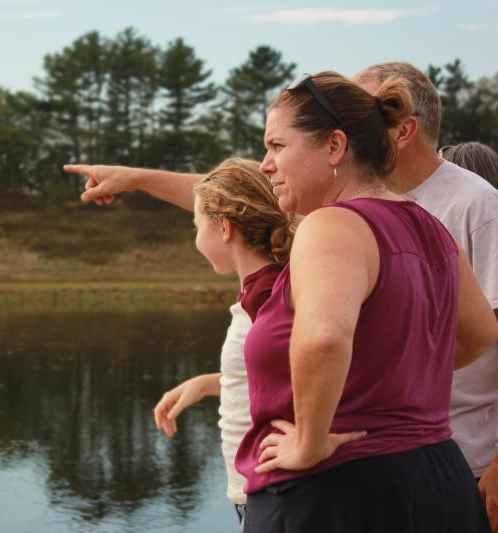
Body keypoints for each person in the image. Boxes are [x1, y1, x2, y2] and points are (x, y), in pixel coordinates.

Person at [65, 61, 498, 531]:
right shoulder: (431, 227)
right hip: (439, 480)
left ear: (335, 146)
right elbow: (479, 334)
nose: (266, 163)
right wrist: (390, 382)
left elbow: (324, 339)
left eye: (276, 146)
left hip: (341, 492)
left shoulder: (331, 224)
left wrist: (309, 442)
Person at [354, 63, 498, 533]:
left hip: (469, 465)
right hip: (386, 463)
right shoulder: (363, 204)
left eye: (361, 117)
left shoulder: (476, 206)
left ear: (403, 130)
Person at [151, 158, 294, 518]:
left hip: (276, 489)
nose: (196, 236)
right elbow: (276, 377)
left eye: (197, 226)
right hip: (261, 489)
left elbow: (322, 371)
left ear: (225, 228)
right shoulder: (260, 290)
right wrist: (209, 384)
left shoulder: (268, 297)